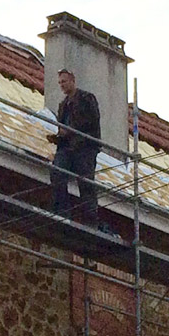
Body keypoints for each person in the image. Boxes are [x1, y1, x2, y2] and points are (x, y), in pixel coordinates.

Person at [47, 69, 101, 226]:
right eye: (60, 83)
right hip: (68, 148)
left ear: (72, 80)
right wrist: (58, 137)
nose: (61, 85)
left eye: (64, 81)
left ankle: (91, 221)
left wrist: (69, 130)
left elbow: (91, 121)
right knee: (57, 172)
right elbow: (63, 128)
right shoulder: (63, 105)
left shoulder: (86, 98)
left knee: (86, 183)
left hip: (85, 147)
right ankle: (61, 212)